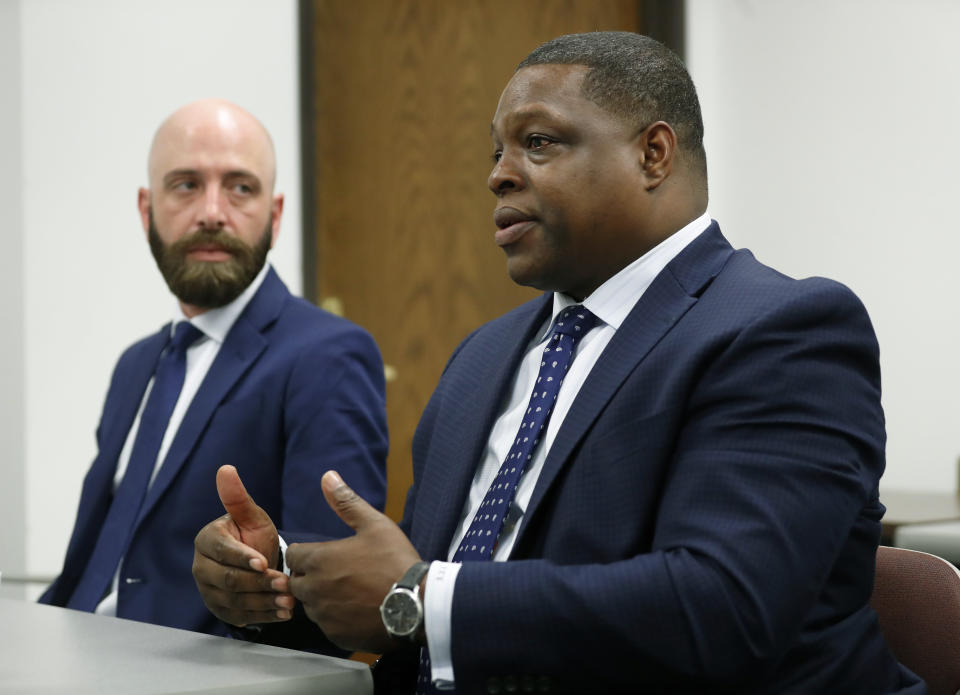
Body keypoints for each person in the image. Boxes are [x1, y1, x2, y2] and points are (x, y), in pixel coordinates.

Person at [193, 33, 925, 693]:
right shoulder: (484, 357)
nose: (499, 176)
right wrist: (280, 586)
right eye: (496, 153)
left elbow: (722, 608)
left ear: (653, 154)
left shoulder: (780, 330)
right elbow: (416, 599)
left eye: (538, 142)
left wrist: (422, 595)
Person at [40, 99, 388, 646]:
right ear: (145, 209)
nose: (211, 212)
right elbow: (89, 567)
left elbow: (334, 590)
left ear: (274, 217)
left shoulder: (329, 354)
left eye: (240, 188)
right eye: (184, 185)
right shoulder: (137, 364)